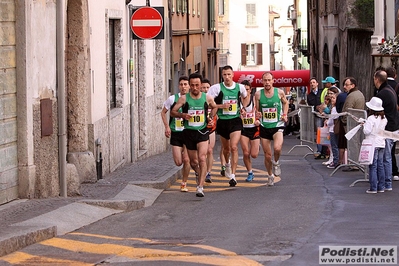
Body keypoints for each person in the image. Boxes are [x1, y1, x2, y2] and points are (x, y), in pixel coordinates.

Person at [170, 73, 217, 197]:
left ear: (201, 85)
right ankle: (198, 173)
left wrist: (210, 117)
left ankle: (200, 187)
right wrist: (183, 115)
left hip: (202, 132)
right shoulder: (184, 99)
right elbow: (173, 112)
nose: (195, 87)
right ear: (190, 86)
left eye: (197, 85)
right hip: (189, 132)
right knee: (193, 161)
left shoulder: (207, 98)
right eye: (192, 85)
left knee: (202, 158)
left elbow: (215, 107)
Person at [207, 65, 248, 187]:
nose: (227, 77)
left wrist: (243, 108)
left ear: (233, 75)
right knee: (226, 149)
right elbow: (209, 103)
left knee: (234, 147)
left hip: (235, 120)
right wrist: (219, 107)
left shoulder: (240, 87)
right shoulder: (216, 88)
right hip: (223, 121)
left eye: (229, 74)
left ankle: (233, 176)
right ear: (222, 76)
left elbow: (246, 97)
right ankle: (228, 164)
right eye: (224, 75)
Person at [255, 72, 289, 186]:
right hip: (265, 126)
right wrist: (257, 115)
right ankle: (270, 175)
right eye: (265, 80)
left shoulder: (279, 92)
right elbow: (257, 110)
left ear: (273, 81)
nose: (267, 83)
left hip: (277, 125)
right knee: (267, 155)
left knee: (277, 148)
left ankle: (277, 162)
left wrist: (285, 114)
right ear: (262, 81)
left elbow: (286, 103)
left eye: (269, 80)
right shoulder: (258, 94)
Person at [161, 76, 192, 192]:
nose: (183, 87)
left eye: (185, 84)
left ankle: (184, 183)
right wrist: (167, 127)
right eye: (181, 84)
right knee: (179, 162)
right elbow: (163, 112)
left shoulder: (193, 99)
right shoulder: (172, 99)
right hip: (176, 133)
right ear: (178, 86)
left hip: (189, 132)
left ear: (189, 86)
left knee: (186, 159)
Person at [374, 70, 399, 191]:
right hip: (394, 126)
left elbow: (377, 111)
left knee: (386, 157)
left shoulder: (383, 94)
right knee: (388, 156)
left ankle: (386, 182)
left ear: (377, 79)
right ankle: (386, 181)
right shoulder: (390, 90)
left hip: (388, 128)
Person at [362, 97, 387, 194]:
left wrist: (364, 125)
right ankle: (381, 186)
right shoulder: (384, 118)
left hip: (372, 143)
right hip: (381, 143)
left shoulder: (371, 118)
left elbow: (367, 131)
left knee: (373, 165)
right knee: (380, 165)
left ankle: (373, 187)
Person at [340, 77, 365, 172]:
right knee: (356, 143)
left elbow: (347, 110)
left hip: (352, 123)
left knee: (353, 144)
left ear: (352, 85)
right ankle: (356, 162)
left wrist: (344, 121)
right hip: (357, 122)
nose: (344, 87)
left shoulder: (351, 96)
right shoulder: (359, 94)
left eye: (346, 85)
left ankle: (354, 163)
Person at [239, 80, 260, 182]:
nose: (245, 92)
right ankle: (250, 172)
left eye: (247, 90)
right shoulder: (238, 101)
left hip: (254, 129)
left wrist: (258, 120)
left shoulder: (254, 99)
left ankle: (256, 146)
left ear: (250, 90)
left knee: (254, 154)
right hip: (243, 130)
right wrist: (239, 115)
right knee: (246, 153)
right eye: (243, 90)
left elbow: (260, 112)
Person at [201, 78, 217, 183]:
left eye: (208, 87)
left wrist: (213, 116)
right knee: (202, 153)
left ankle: (208, 173)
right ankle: (201, 170)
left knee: (210, 150)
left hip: (211, 128)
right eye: (204, 87)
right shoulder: (197, 99)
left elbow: (216, 108)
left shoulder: (212, 99)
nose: (206, 89)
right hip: (200, 128)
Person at [307, 78, 326, 159]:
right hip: (317, 115)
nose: (312, 84)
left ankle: (325, 151)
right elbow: (310, 105)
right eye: (311, 83)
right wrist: (316, 107)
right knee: (319, 132)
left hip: (325, 114)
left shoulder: (322, 92)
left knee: (326, 133)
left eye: (314, 82)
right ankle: (319, 150)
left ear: (317, 83)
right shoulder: (309, 95)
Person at [386, 67, 399, 181]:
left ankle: (391, 171)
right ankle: (394, 171)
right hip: (395, 121)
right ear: (395, 75)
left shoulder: (383, 87)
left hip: (388, 121)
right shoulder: (396, 85)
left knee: (389, 148)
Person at [325, 91, 339, 169]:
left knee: (334, 146)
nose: (332, 99)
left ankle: (335, 161)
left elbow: (331, 119)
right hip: (334, 128)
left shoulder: (334, 109)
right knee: (335, 146)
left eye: (334, 98)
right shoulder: (335, 108)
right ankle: (335, 160)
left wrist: (327, 122)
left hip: (332, 129)